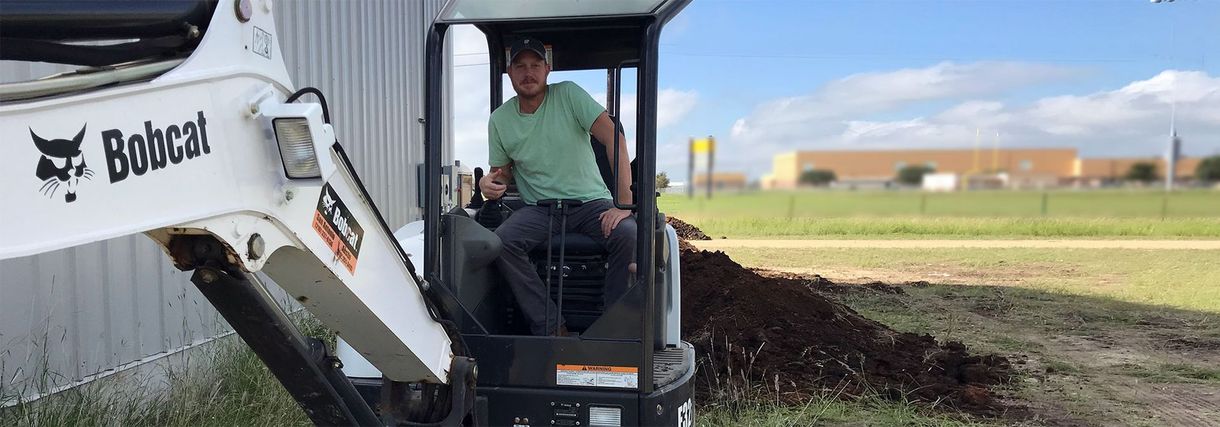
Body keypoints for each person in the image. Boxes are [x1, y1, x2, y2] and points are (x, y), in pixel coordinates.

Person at [480, 37, 635, 336]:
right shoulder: (500, 120)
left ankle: (613, 331)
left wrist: (623, 205)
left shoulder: (569, 95)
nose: (528, 73)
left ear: (547, 69)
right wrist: (490, 183)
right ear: (509, 73)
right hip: (541, 209)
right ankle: (552, 328)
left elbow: (614, 138)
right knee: (501, 243)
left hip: (591, 204)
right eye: (520, 66)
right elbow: (502, 173)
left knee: (628, 235)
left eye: (535, 65)